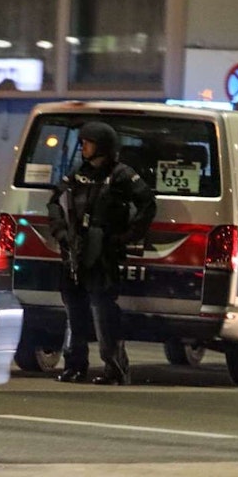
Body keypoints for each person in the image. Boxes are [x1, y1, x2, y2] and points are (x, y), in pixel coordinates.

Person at [47, 121, 156, 385]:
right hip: (75, 250)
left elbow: (147, 204)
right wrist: (62, 234)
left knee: (103, 311)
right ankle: (75, 365)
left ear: (103, 146)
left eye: (88, 142)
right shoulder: (77, 175)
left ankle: (115, 368)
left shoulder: (121, 175)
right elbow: (54, 203)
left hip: (103, 251)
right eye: (82, 142)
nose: (83, 146)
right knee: (74, 309)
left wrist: (125, 237)